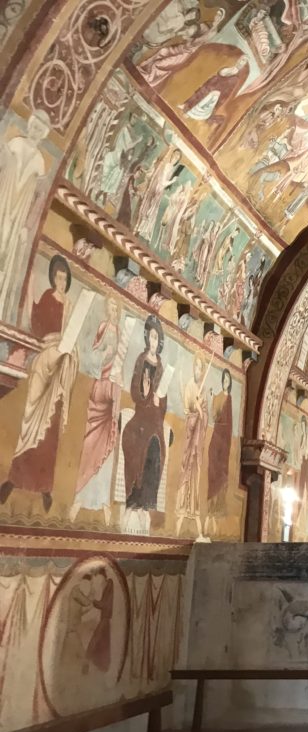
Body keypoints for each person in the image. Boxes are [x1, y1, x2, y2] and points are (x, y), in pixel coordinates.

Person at [0, 256, 79, 512]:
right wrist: (31, 288)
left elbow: (72, 340)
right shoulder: (47, 297)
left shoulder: (70, 305)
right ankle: (14, 480)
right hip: (44, 364)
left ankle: (45, 486)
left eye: (65, 278)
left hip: (60, 370)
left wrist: (68, 353)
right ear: (53, 278)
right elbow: (36, 324)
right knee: (30, 420)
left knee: (50, 432)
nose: (61, 281)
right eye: (58, 277)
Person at [70, 298, 122, 524]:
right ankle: (80, 497)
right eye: (111, 306)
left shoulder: (120, 332)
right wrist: (104, 354)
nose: (114, 309)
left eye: (116, 307)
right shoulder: (103, 327)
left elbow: (120, 363)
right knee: (90, 445)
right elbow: (92, 356)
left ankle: (103, 502)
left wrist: (118, 377)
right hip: (99, 388)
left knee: (108, 451)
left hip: (112, 390)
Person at [0, 110, 51, 321]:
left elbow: (40, 201)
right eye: (34, 126)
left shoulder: (40, 161)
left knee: (6, 250)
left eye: (40, 129)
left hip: (19, 212)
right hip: (3, 199)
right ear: (29, 125)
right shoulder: (15, 144)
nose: (35, 131)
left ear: (44, 134)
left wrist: (27, 226)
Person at [122, 315, 169, 531]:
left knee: (158, 452)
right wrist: (145, 392)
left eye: (156, 337)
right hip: (141, 415)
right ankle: (133, 500)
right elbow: (135, 392)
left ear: (159, 341)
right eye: (151, 336)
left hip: (156, 419)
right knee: (135, 443)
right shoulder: (142, 360)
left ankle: (146, 502)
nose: (153, 341)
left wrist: (159, 401)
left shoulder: (161, 367)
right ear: (147, 338)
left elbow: (164, 400)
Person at [176, 360, 208, 537]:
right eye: (196, 366)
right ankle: (181, 509)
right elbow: (188, 410)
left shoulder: (203, 391)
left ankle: (194, 511)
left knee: (195, 475)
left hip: (198, 442)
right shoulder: (189, 386)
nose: (198, 370)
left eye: (200, 367)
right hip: (189, 438)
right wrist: (193, 408)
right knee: (185, 470)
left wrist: (201, 411)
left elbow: (205, 417)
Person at [206, 370, 233, 534]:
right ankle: (210, 505)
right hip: (216, 438)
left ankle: (215, 509)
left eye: (228, 379)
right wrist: (211, 399)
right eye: (224, 379)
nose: (225, 381)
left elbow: (229, 426)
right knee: (212, 469)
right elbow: (213, 417)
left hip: (224, 442)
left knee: (221, 474)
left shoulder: (229, 399)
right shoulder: (217, 397)